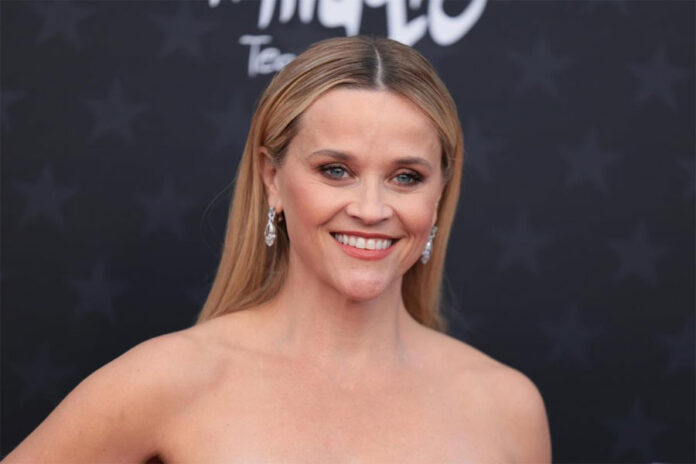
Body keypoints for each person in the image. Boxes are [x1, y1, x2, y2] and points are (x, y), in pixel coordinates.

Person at [2, 36, 551, 463]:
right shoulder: (165, 380)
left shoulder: (507, 406)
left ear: (440, 195)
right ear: (272, 179)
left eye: (406, 177)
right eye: (335, 170)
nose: (371, 208)